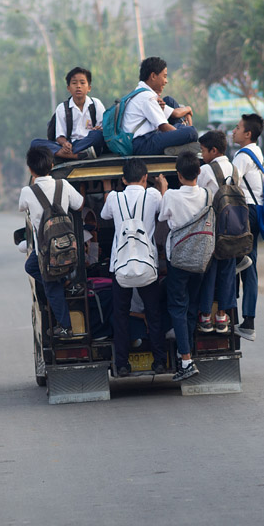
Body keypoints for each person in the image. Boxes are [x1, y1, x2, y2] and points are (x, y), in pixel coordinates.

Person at [100, 157, 168, 376]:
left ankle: (121, 364)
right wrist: (163, 187)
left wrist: (108, 191)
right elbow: (166, 212)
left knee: (120, 316)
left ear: (122, 179)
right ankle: (159, 361)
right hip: (148, 266)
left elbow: (104, 216)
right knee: (153, 313)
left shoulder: (114, 197)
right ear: (145, 177)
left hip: (120, 268)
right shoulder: (153, 195)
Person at [18, 146, 84, 339]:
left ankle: (65, 327)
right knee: (38, 271)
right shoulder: (62, 185)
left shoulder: (27, 191)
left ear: (30, 169)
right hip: (68, 248)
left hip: (45, 253)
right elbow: (80, 205)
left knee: (48, 283)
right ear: (52, 165)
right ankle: (68, 283)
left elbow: (21, 208)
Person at [154, 152, 206, 381]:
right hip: (201, 258)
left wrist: (163, 188)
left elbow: (163, 216)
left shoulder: (172, 195)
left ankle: (186, 360)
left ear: (178, 174)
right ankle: (188, 352)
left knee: (177, 306)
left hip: (179, 259)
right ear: (199, 172)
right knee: (192, 305)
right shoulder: (206, 194)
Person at [196, 130, 237, 334]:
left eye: (203, 151)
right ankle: (222, 316)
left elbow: (200, 197)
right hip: (233, 229)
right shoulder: (234, 167)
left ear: (213, 150)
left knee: (209, 272)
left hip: (212, 229)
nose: (202, 155)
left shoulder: (205, 171)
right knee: (227, 272)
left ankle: (205, 315)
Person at [231, 113, 264, 341]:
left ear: (248, 134)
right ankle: (248, 321)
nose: (233, 131)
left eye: (237, 127)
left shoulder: (242, 156)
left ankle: (229, 312)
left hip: (246, 212)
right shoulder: (258, 152)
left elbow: (229, 183)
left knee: (232, 256)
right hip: (257, 211)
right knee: (250, 267)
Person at [121, 56, 198, 156]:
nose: (166, 81)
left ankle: (178, 145)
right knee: (191, 132)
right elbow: (164, 127)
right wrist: (182, 137)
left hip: (144, 140)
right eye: (164, 76)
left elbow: (173, 115)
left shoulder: (140, 93)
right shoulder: (147, 97)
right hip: (143, 144)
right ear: (153, 76)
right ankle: (180, 146)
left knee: (170, 103)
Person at [30, 67, 106, 160]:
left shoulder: (96, 104)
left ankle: (66, 155)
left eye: (82, 83)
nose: (78, 86)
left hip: (90, 144)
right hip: (71, 144)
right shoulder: (62, 108)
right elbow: (60, 136)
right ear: (68, 88)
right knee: (35, 143)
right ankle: (77, 155)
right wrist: (65, 144)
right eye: (74, 83)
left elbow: (103, 130)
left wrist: (99, 129)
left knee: (97, 135)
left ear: (89, 88)